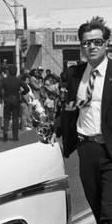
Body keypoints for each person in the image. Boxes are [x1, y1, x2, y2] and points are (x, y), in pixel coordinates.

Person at [56, 16, 112, 223]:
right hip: (86, 149)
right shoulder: (74, 74)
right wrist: (54, 129)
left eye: (97, 42)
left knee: (109, 213)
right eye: (86, 43)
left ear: (106, 43)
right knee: (96, 206)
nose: (92, 47)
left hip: (110, 149)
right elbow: (68, 109)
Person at [0, 65, 29, 141]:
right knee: (15, 118)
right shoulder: (18, 80)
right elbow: (27, 89)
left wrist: (3, 96)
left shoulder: (4, 80)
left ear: (9, 71)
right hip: (16, 99)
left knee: (6, 117)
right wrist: (22, 93)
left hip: (7, 99)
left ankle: (5, 133)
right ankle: (15, 136)